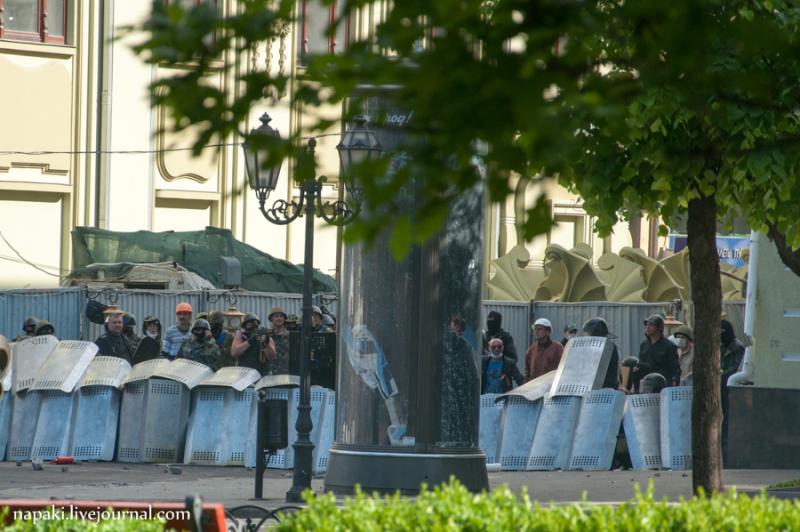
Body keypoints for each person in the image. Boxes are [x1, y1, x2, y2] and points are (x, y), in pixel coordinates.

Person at [721, 318, 745, 461]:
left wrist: (722, 375)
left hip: (731, 391)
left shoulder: (737, 347)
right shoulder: (721, 346)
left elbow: (736, 369)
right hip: (722, 389)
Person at [636, 314, 681, 387]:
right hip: (646, 385)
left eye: (651, 325)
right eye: (646, 325)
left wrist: (674, 381)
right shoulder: (644, 345)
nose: (647, 327)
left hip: (663, 384)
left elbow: (675, 369)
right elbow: (641, 364)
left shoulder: (669, 346)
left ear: (659, 328)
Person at [582, 317, 620, 389]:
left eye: (588, 335)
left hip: (605, 388)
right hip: (590, 386)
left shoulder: (609, 347)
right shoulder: (591, 348)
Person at [265, 307, 290, 375]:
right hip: (270, 372)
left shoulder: (289, 335)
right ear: (271, 319)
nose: (279, 318)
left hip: (287, 373)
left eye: (281, 316)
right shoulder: (267, 336)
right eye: (276, 316)